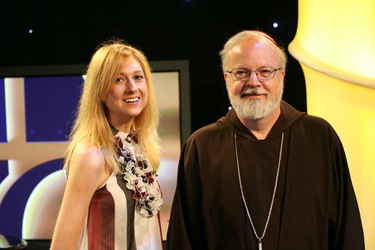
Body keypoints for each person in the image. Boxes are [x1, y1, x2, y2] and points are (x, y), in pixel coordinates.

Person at [166, 30, 364, 250]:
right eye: (241, 72)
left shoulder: (319, 137)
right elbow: (184, 237)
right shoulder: (202, 146)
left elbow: (347, 230)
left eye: (265, 72)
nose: (254, 82)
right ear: (226, 77)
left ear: (282, 75)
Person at [51, 40, 164, 249]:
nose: (132, 88)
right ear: (101, 90)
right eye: (119, 79)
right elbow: (62, 244)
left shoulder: (141, 147)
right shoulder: (91, 154)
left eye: (138, 77)